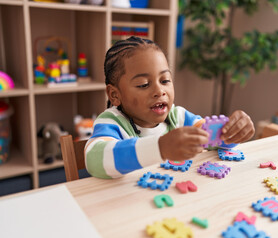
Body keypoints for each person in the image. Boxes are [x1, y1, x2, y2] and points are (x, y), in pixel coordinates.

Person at [85, 36, 255, 179]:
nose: (159, 91)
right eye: (144, 84)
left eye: (165, 80)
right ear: (115, 95)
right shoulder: (112, 122)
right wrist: (160, 147)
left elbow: (211, 139)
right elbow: (95, 159)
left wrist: (233, 132)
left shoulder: (178, 117)